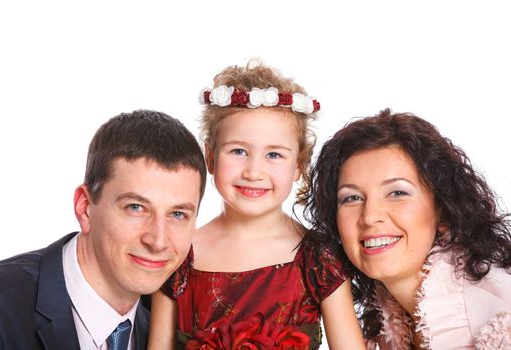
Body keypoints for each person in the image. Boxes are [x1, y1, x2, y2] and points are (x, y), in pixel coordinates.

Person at [147, 60, 365, 350]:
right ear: (210, 157)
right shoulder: (182, 252)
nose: (253, 171)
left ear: (299, 165)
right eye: (238, 151)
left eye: (274, 155)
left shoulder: (317, 258)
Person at [0, 110, 207, 350]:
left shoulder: (180, 322)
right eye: (136, 207)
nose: (158, 241)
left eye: (177, 214)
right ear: (85, 208)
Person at [301, 108, 511, 349]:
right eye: (351, 198)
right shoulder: (386, 321)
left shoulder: (499, 319)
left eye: (397, 193)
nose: (370, 216)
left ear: (443, 210)